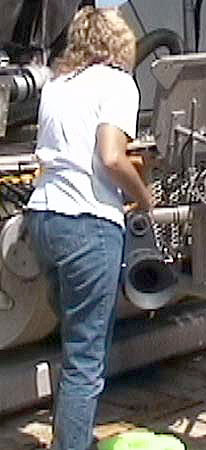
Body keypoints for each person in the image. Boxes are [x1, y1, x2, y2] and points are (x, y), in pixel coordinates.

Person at [25, 7, 153, 450]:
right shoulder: (118, 83)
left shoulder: (57, 85)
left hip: (43, 217)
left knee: (72, 338)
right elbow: (112, 156)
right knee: (86, 358)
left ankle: (69, 436)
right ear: (119, 44)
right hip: (88, 222)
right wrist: (144, 195)